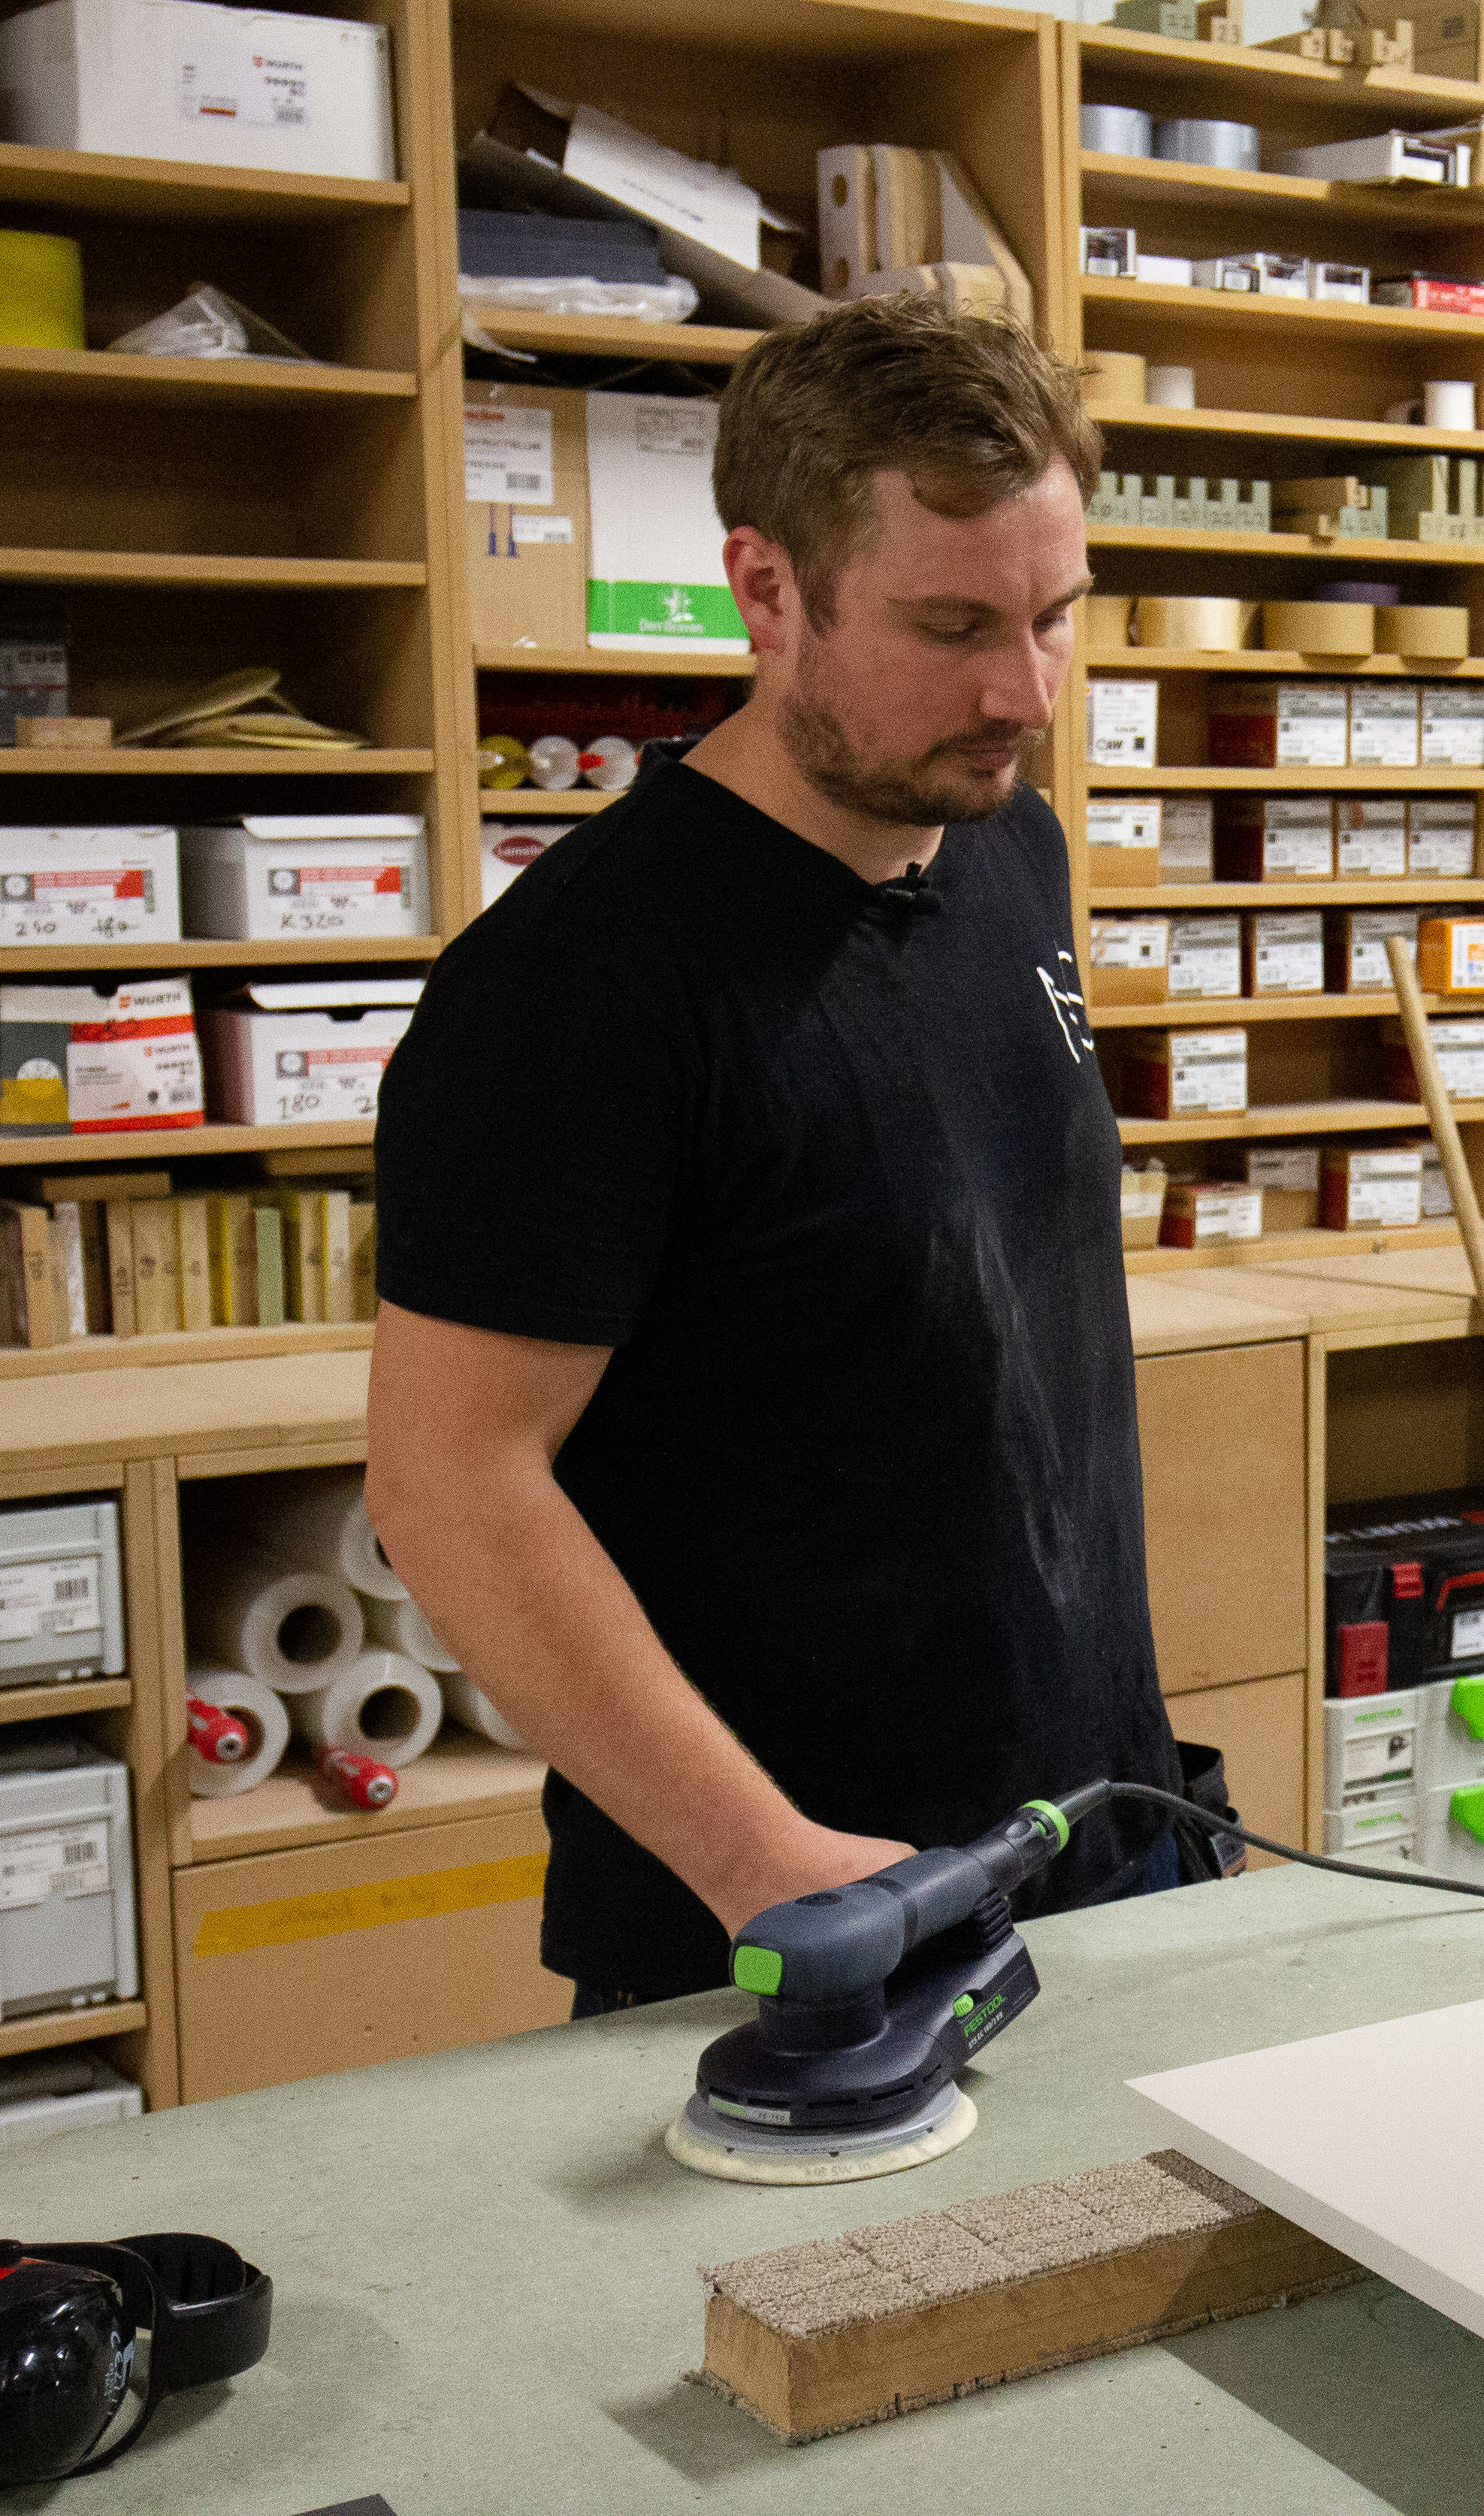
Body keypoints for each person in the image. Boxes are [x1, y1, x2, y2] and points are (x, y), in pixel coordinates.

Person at [364, 295, 1227, 2016]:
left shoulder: (1006, 847)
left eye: (1056, 617)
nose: (1023, 691)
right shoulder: (579, 988)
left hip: (1088, 1842)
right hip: (792, 1928)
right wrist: (763, 1859)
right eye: (950, 625)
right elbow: (452, 1484)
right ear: (767, 588)